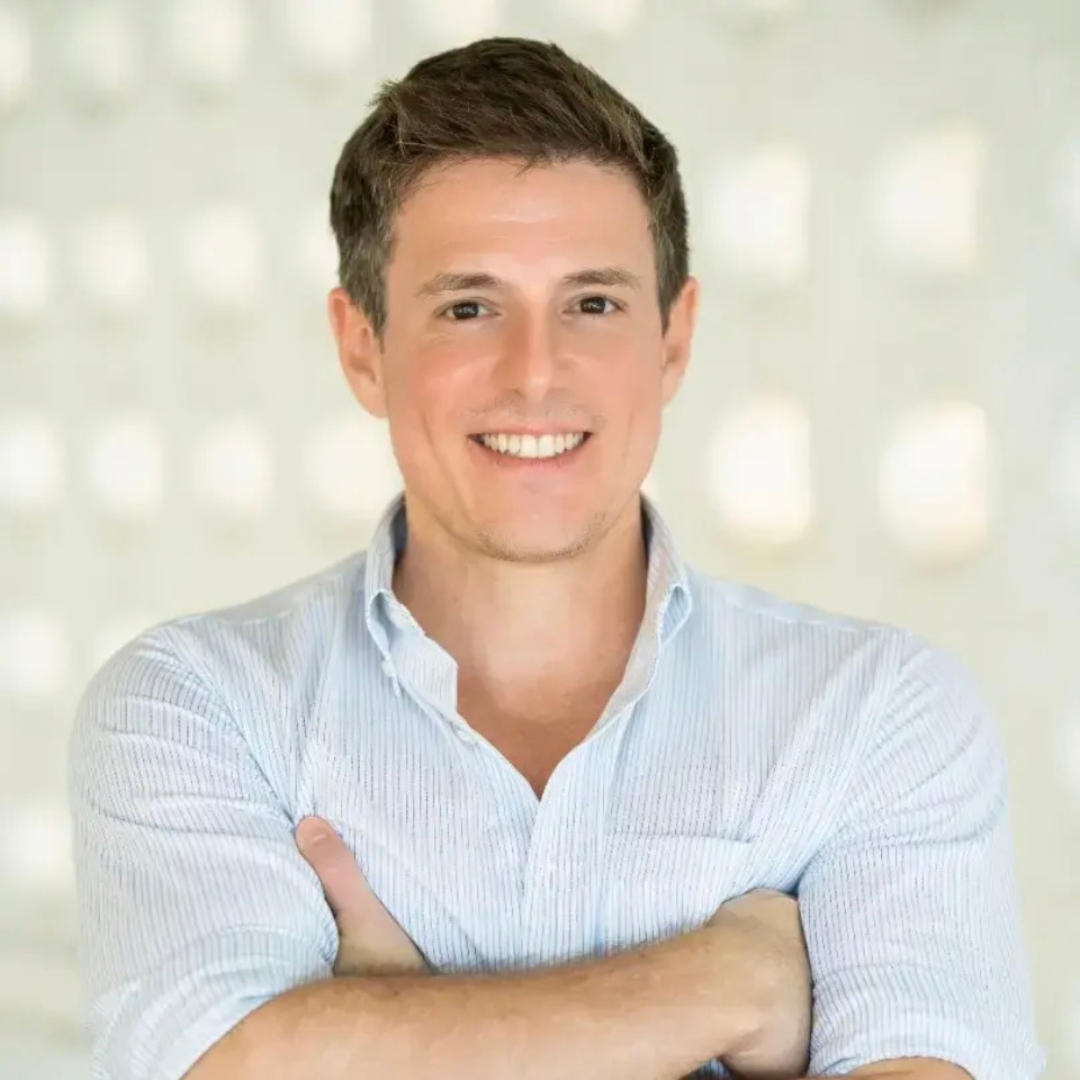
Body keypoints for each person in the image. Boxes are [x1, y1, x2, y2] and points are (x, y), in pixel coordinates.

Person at [67, 36, 1045, 1080]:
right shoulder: (197, 708)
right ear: (363, 347)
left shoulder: (878, 716)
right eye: (469, 307)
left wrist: (390, 1037)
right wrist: (720, 985)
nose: (535, 373)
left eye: (593, 303)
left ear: (673, 339)